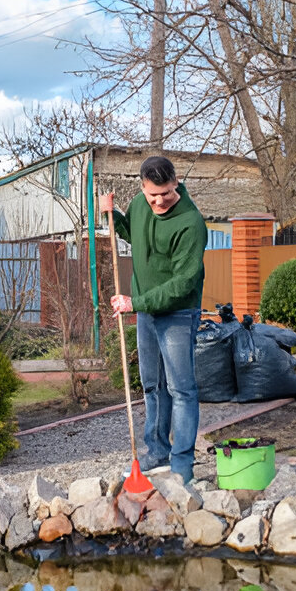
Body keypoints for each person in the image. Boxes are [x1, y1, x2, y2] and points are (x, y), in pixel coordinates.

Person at [99, 156, 207, 484]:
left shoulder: (191, 223)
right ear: (142, 188)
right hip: (145, 311)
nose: (159, 201)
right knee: (151, 385)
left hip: (176, 313)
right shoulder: (139, 204)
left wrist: (136, 302)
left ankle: (182, 464)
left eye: (166, 193)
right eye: (152, 195)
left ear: (176, 182)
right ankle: (156, 451)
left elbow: (183, 283)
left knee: (181, 389)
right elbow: (134, 234)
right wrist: (111, 215)